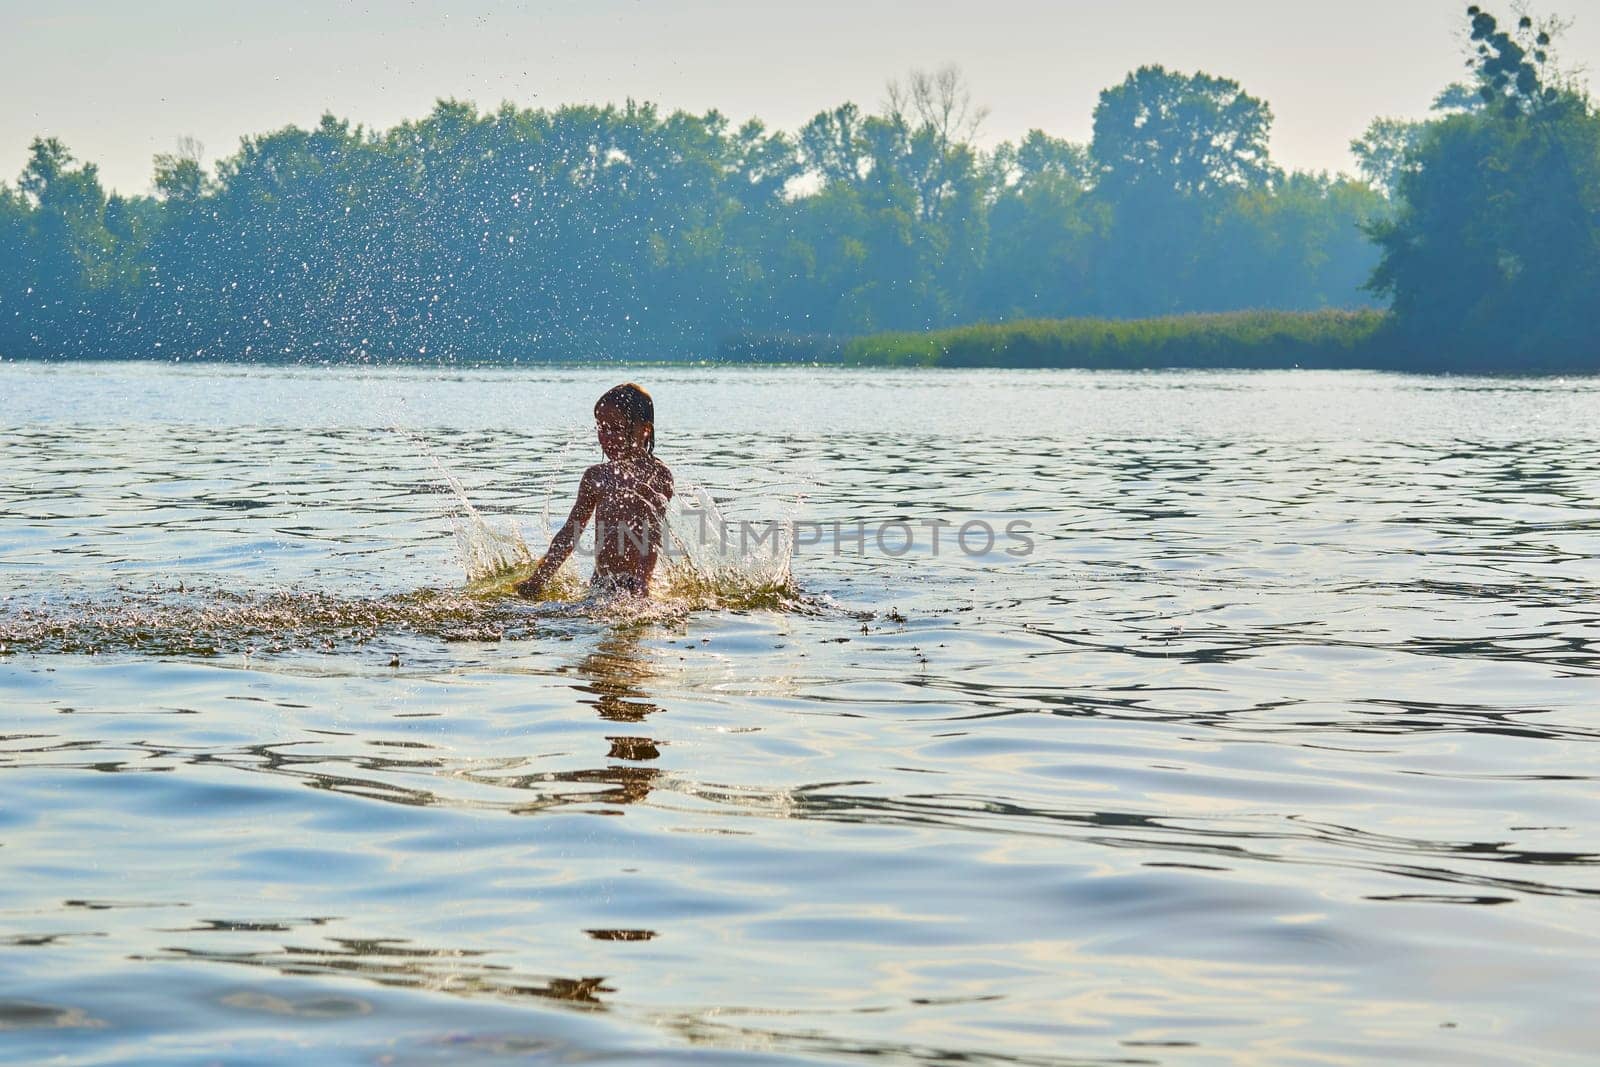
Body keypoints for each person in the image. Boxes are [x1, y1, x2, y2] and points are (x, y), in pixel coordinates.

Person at [516, 383, 674, 598]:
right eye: (601, 428)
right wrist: (538, 579)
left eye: (616, 428)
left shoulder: (657, 475)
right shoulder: (596, 477)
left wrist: (642, 581)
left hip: (638, 583)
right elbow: (570, 532)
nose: (607, 438)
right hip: (601, 583)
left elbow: (652, 534)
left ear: (645, 430)